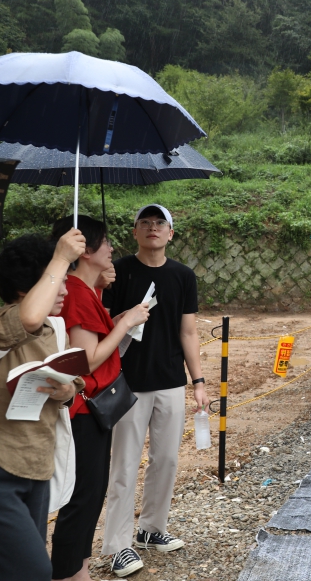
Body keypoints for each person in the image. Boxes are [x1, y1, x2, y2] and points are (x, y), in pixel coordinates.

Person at [101, 205, 207, 578]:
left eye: (160, 223)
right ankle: (117, 546)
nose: (152, 228)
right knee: (125, 464)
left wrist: (198, 382)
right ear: (134, 232)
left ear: (170, 234)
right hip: (126, 382)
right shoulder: (118, 273)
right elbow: (102, 329)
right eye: (144, 223)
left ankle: (151, 528)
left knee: (167, 461)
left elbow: (188, 332)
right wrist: (124, 312)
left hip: (170, 382)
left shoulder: (183, 276)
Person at [0, 231, 85, 581]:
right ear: (27, 289)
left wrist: (65, 392)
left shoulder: (54, 330)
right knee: (34, 571)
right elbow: (26, 320)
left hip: (37, 466)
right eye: (58, 282)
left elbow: (72, 383)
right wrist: (61, 256)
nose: (65, 290)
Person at [50, 217, 151, 581]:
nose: (111, 249)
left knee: (92, 492)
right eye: (106, 242)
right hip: (82, 409)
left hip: (93, 408)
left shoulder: (86, 290)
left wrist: (118, 317)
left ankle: (81, 569)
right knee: (82, 496)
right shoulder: (75, 291)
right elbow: (86, 358)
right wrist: (125, 324)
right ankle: (66, 573)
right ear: (87, 250)